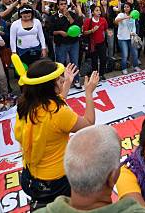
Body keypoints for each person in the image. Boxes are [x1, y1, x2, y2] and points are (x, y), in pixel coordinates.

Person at [15, 57, 100, 208]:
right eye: (59, 79)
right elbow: (88, 123)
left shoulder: (26, 104)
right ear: (48, 86)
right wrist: (88, 92)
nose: (62, 79)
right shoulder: (59, 113)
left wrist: (66, 83)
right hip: (56, 182)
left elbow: (55, 102)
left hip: (30, 177)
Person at [51, 0, 83, 85]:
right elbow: (51, 31)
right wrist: (60, 32)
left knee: (74, 62)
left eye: (65, 4)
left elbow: (77, 26)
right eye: (61, 4)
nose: (63, 6)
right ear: (57, 6)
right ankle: (61, 82)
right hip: (61, 44)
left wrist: (68, 16)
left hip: (74, 43)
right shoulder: (54, 17)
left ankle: (76, 80)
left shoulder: (71, 14)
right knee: (60, 64)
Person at [83, 5, 108, 80]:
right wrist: (92, 31)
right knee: (94, 60)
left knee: (103, 59)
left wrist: (108, 32)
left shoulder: (103, 20)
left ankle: (102, 74)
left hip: (102, 43)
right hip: (93, 44)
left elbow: (106, 29)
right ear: (93, 12)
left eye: (99, 10)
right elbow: (84, 32)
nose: (99, 12)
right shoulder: (88, 21)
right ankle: (95, 75)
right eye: (97, 10)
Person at [115, 3, 141, 74]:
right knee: (125, 54)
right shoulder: (121, 15)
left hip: (131, 37)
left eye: (128, 7)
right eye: (125, 7)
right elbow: (116, 21)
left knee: (135, 52)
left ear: (131, 8)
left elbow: (133, 26)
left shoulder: (133, 15)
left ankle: (135, 66)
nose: (126, 8)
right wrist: (126, 17)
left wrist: (134, 33)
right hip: (122, 38)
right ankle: (124, 68)